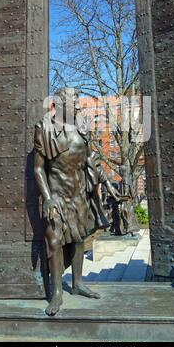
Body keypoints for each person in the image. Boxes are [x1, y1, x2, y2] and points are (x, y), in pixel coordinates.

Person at [34, 88, 112, 316]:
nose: (78, 105)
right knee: (56, 241)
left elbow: (89, 158)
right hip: (57, 195)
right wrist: (47, 199)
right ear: (59, 103)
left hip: (80, 194)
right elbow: (38, 168)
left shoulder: (82, 125)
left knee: (79, 239)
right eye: (74, 101)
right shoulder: (44, 128)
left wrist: (101, 182)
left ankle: (77, 283)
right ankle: (57, 292)